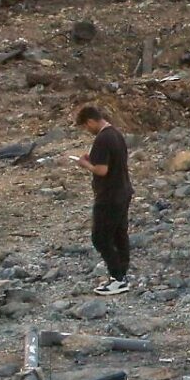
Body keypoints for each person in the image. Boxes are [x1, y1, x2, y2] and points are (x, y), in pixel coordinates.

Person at [73, 105, 133, 296]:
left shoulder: (102, 139)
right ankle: (122, 274)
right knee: (119, 234)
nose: (87, 130)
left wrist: (85, 164)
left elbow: (102, 170)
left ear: (90, 121)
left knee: (100, 238)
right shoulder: (116, 134)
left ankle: (117, 278)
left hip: (109, 196)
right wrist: (93, 159)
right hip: (123, 191)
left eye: (85, 126)